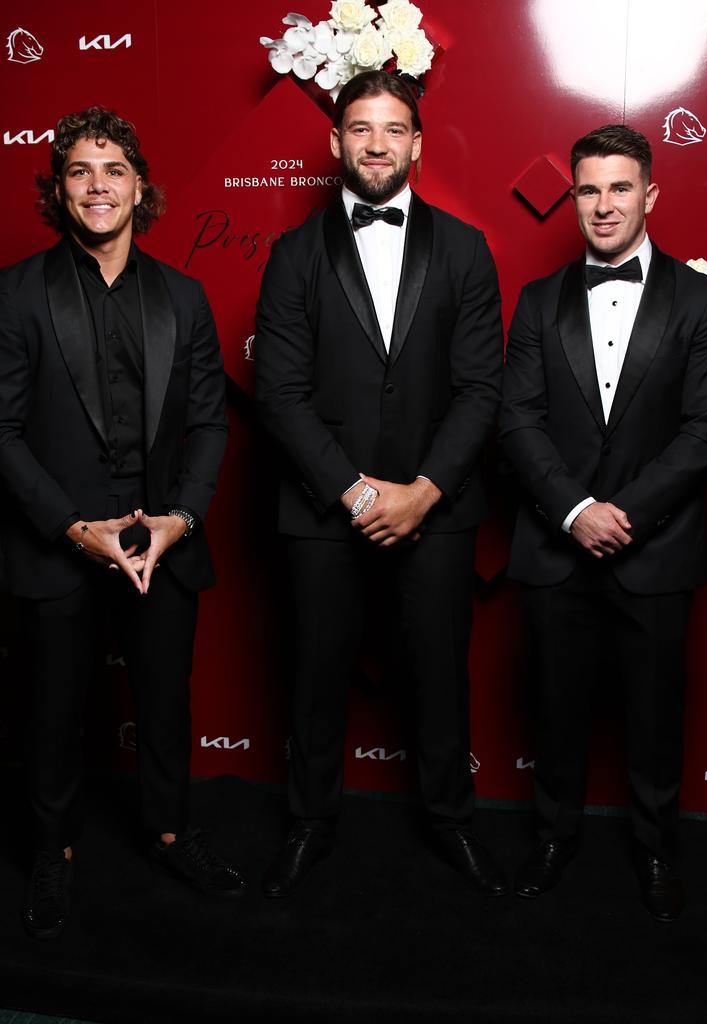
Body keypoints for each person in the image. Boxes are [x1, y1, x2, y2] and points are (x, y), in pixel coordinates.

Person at [253, 71, 506, 898]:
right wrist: (359, 495)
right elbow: (280, 394)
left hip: (438, 508)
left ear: (417, 144)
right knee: (315, 678)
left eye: (392, 129)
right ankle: (310, 821)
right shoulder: (293, 255)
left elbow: (480, 390)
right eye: (359, 128)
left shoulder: (466, 249)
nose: (375, 143)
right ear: (334, 142)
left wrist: (422, 492)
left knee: (440, 677)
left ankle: (451, 822)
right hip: (324, 509)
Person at [0, 106, 243, 940]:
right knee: (49, 709)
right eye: (79, 171)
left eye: (113, 170)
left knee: (164, 703)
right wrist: (72, 528)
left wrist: (179, 519)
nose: (97, 185)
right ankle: (49, 852)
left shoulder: (185, 295)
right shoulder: (15, 293)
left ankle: (172, 833)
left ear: (141, 187)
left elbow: (211, 422)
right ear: (59, 190)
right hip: (57, 540)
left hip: (161, 541)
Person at [500, 124, 707, 921]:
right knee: (556, 710)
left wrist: (621, 514)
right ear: (573, 198)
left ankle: (657, 848)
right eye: (589, 189)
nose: (603, 205)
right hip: (556, 547)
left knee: (655, 715)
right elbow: (518, 421)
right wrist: (573, 511)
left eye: (619, 187)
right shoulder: (537, 302)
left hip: (655, 548)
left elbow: (706, 430)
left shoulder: (700, 301)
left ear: (650, 194)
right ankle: (553, 839)